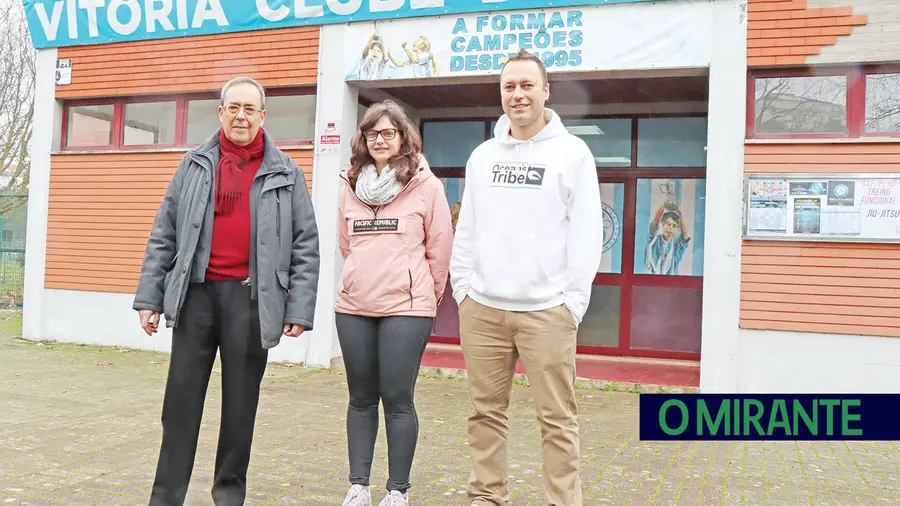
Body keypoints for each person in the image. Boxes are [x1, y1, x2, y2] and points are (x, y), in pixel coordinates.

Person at [132, 76, 320, 506]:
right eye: (233, 107)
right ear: (220, 113)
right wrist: (150, 297)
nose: (241, 116)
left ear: (262, 116)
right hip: (196, 295)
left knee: (240, 409)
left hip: (251, 301)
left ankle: (229, 495)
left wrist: (299, 307)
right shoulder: (194, 164)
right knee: (179, 405)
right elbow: (164, 233)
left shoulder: (287, 172)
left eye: (249, 109)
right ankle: (165, 497)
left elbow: (306, 243)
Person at [449, 49, 604, 506]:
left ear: (545, 91)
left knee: (557, 419)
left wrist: (572, 303)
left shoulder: (573, 154)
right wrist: (463, 288)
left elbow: (586, 234)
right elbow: (469, 227)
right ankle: (486, 496)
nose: (518, 95)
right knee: (485, 415)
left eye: (526, 85)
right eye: (509, 87)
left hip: (547, 313)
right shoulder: (483, 157)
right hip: (484, 309)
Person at [335, 100, 453, 506]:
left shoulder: (426, 186)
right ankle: (358, 486)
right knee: (360, 398)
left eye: (388, 133)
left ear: (404, 137)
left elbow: (440, 250)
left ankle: (397, 491)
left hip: (407, 308)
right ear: (363, 140)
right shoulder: (350, 184)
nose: (380, 140)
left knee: (398, 399)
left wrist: (424, 296)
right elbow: (345, 243)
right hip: (354, 307)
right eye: (372, 133)